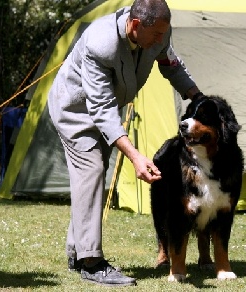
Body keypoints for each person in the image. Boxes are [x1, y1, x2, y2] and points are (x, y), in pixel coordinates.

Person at [47, 0, 203, 287]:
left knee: (89, 180)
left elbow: (171, 65)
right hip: (75, 111)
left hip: (103, 110)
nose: (161, 40)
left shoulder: (157, 33)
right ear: (134, 25)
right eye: (156, 35)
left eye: (163, 34)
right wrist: (134, 155)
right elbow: (102, 109)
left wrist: (197, 97)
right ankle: (91, 263)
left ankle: (76, 252)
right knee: (92, 171)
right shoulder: (101, 43)